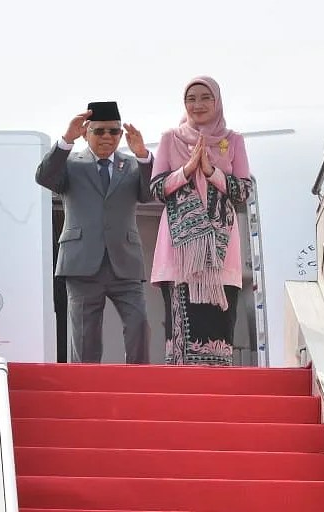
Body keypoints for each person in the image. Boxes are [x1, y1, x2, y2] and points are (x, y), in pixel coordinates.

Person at [35, 103, 153, 364]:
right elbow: (44, 177)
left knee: (139, 324)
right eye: (99, 131)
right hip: (81, 264)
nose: (107, 137)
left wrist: (143, 155)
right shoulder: (70, 163)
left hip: (125, 262)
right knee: (85, 337)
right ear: (86, 132)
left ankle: (139, 380)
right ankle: (85, 384)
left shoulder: (132, 165)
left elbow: (149, 194)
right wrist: (66, 140)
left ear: (121, 134)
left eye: (114, 131)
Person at [150, 76, 253, 366]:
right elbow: (156, 189)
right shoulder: (170, 138)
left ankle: (216, 386)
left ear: (217, 101)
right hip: (179, 250)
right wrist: (186, 170)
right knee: (181, 327)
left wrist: (211, 172)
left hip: (221, 250)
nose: (198, 104)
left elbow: (243, 191)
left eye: (205, 97)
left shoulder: (233, 140)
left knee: (219, 323)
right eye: (191, 98)